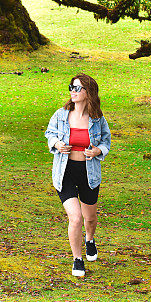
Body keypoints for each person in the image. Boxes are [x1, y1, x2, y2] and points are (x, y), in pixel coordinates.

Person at [44, 73, 111, 277]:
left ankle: (89, 240)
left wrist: (97, 151)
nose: (73, 92)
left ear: (88, 92)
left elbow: (105, 142)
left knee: (89, 219)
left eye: (77, 88)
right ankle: (77, 259)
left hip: (88, 174)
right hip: (65, 173)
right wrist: (57, 144)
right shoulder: (61, 115)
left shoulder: (98, 119)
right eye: (71, 87)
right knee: (76, 218)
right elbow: (50, 133)